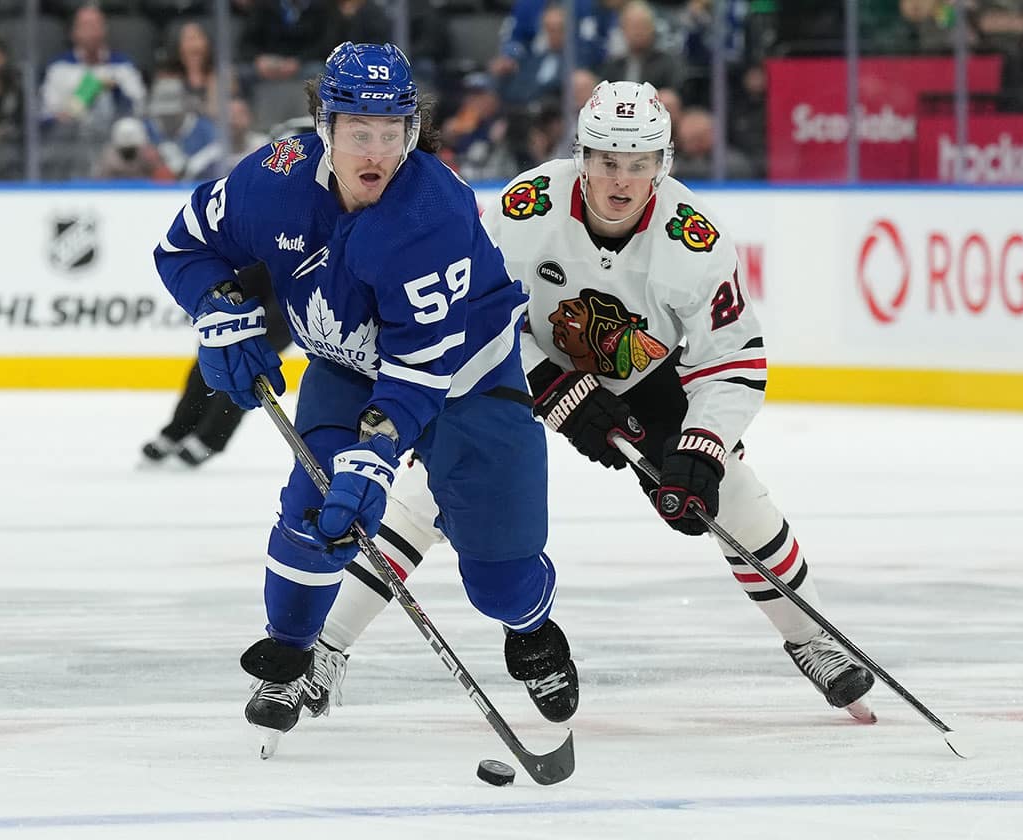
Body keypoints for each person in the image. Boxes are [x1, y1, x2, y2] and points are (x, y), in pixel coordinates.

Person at [308, 80, 877, 725]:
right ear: (581, 155)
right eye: (607, 160)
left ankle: (813, 639)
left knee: (728, 493)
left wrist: (704, 446)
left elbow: (733, 359)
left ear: (663, 165)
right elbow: (466, 315)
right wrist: (548, 384)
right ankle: (324, 649)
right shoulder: (526, 211)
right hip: (515, 369)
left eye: (639, 165)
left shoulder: (696, 241)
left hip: (644, 378)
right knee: (430, 491)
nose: (621, 181)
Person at [152, 42, 578, 755]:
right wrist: (218, 309)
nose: (375, 151)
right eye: (359, 133)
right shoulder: (273, 180)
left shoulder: (430, 214)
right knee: (317, 513)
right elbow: (184, 245)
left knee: (501, 581)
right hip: (346, 368)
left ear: (411, 130)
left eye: (391, 132)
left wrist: (374, 455)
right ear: (326, 127)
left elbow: (421, 368)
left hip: (467, 377)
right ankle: (290, 655)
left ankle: (531, 631)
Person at [140, 262, 291, 467]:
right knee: (216, 343)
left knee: (252, 356)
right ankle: (180, 428)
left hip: (302, 275)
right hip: (263, 260)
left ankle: (209, 439)